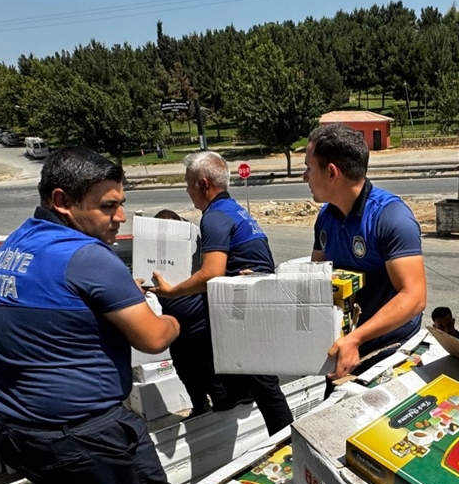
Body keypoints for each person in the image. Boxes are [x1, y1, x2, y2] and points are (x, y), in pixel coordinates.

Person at [0, 147, 182, 484]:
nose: (120, 218)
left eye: (122, 204)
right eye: (107, 206)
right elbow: (153, 339)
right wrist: (174, 316)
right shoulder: (89, 258)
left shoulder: (16, 245)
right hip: (85, 431)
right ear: (62, 201)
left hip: (17, 431)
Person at [145, 151, 293, 435]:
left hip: (247, 307)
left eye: (188, 185)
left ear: (203, 184)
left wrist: (172, 290)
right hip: (257, 298)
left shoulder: (213, 218)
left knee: (265, 387)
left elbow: (211, 273)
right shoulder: (236, 210)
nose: (188, 192)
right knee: (261, 383)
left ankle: (288, 445)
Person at [305, 123, 427, 379]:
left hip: (392, 352)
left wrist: (356, 339)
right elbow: (316, 279)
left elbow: (414, 297)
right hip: (346, 351)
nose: (305, 177)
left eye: (309, 168)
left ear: (331, 173)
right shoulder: (326, 218)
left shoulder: (391, 217)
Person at [151, 209, 225, 417]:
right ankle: (200, 406)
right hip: (175, 329)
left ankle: (222, 407)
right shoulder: (153, 257)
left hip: (200, 326)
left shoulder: (194, 251)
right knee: (185, 371)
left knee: (210, 372)